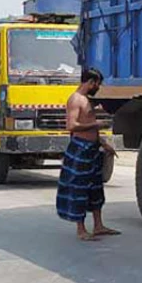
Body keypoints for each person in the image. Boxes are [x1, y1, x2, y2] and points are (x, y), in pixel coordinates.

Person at [58, 67, 119, 241]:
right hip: (80, 149)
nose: (98, 87)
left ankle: (98, 226)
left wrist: (103, 143)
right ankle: (81, 230)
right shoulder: (75, 100)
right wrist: (96, 125)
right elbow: (71, 126)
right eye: (97, 84)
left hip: (92, 148)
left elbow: (90, 124)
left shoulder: (86, 100)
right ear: (90, 82)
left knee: (95, 188)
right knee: (80, 188)